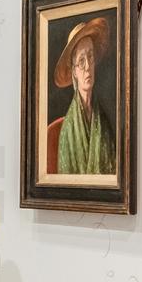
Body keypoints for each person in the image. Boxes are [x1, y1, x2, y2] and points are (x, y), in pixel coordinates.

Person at [47, 17, 116, 175]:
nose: (87, 67)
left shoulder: (104, 122)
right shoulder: (67, 132)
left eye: (90, 57)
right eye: (81, 61)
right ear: (74, 72)